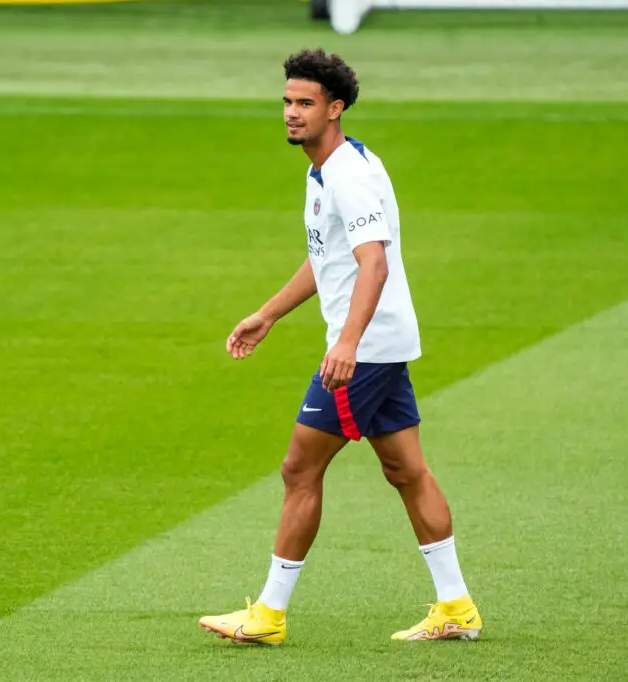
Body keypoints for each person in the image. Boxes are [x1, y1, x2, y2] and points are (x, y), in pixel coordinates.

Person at [198, 48, 482, 645]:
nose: (291, 113)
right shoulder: (327, 169)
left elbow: (373, 263)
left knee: (299, 468)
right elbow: (327, 259)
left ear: (336, 108)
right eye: (286, 101)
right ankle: (456, 607)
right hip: (382, 343)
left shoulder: (348, 177)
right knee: (406, 470)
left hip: (367, 350)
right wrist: (268, 314)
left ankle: (269, 615)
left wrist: (348, 343)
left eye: (305, 103)